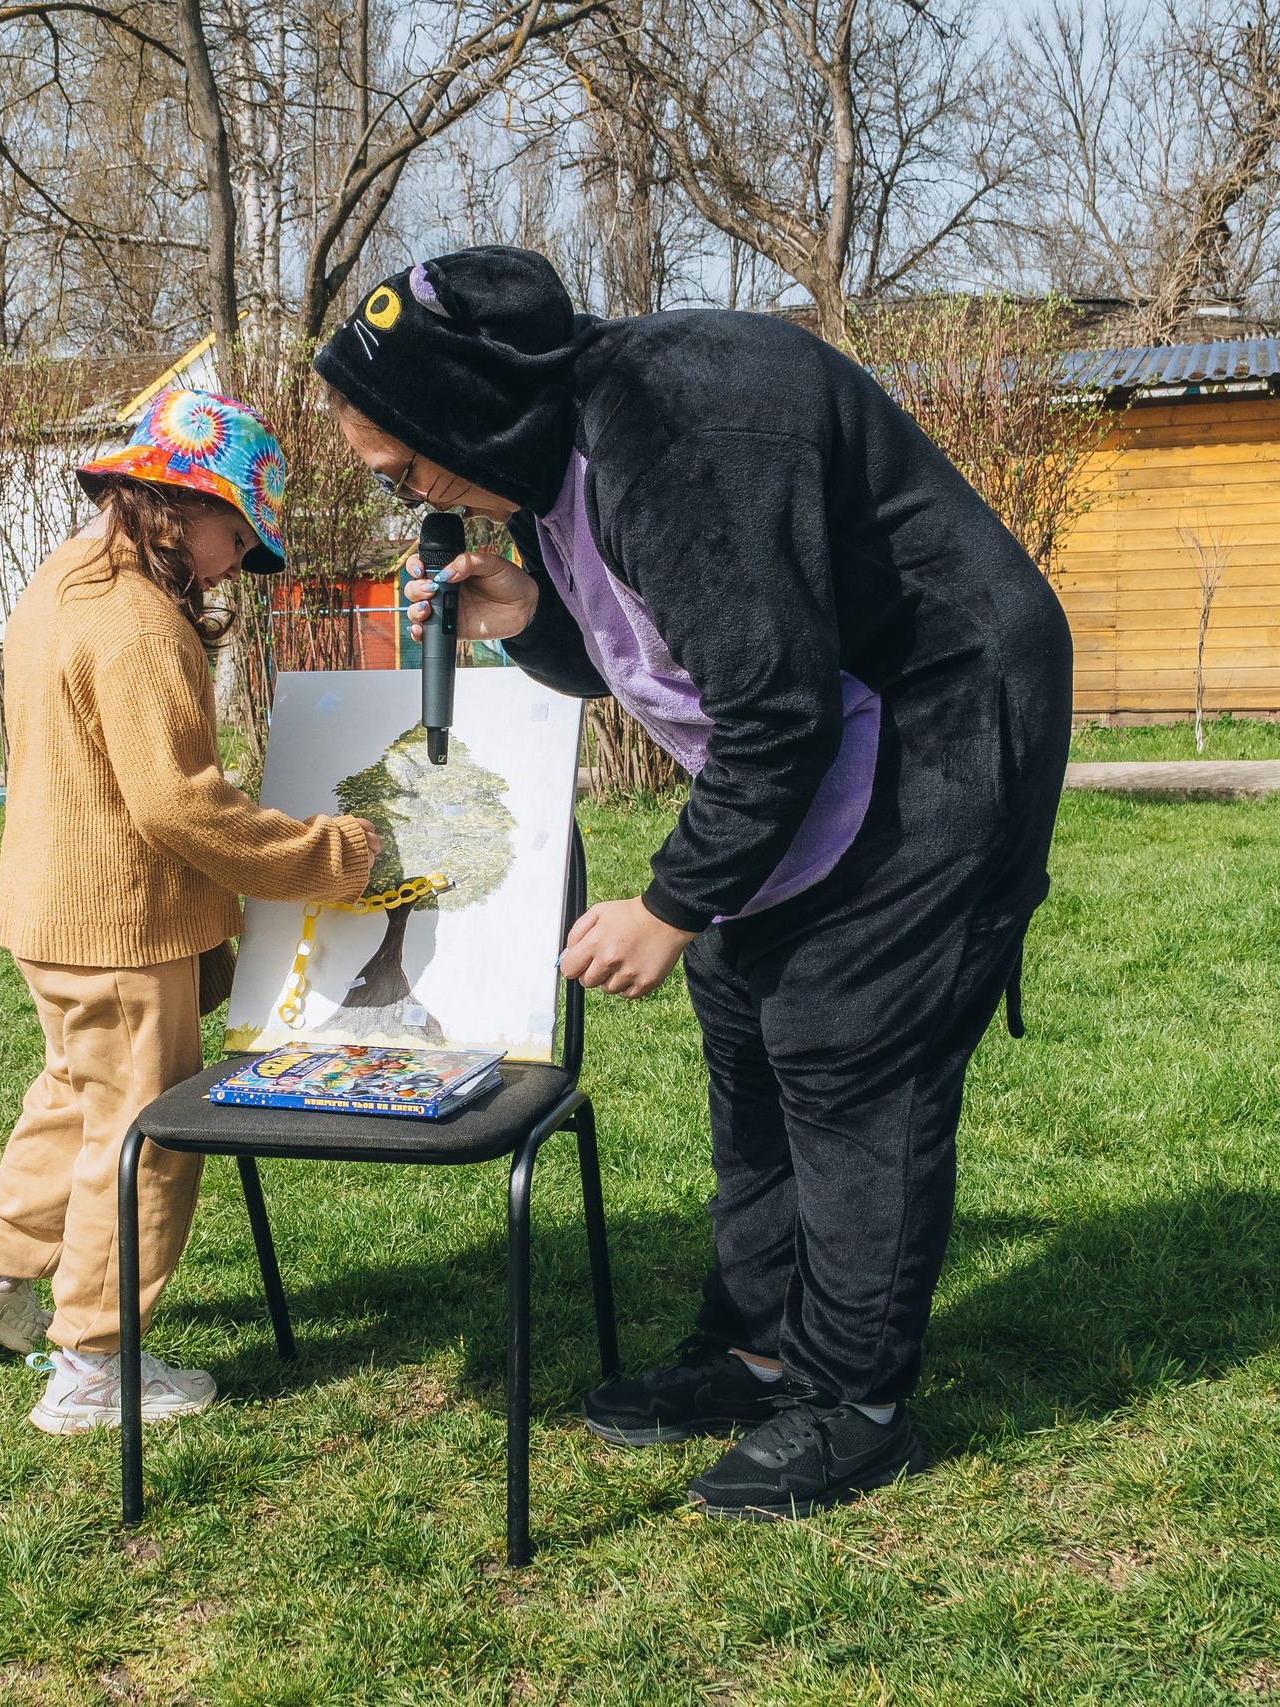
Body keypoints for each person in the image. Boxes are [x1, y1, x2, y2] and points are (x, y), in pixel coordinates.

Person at [314, 248, 1072, 1520]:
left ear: (471, 412)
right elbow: (651, 649)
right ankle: (756, 1350)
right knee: (746, 1019)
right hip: (827, 728)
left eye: (403, 464)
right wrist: (528, 618)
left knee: (845, 1038)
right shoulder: (566, 439)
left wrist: (669, 907)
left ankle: (851, 1401)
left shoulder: (675, 427)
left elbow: (771, 708)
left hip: (942, 714)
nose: (406, 494)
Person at [0, 389, 381, 1434]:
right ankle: (94, 1360)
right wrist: (330, 856)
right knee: (147, 1134)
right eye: (234, 533)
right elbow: (178, 805)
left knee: (77, 1095)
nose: (234, 561)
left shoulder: (65, 580)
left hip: (54, 911)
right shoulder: (136, 623)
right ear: (176, 502)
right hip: (119, 925)